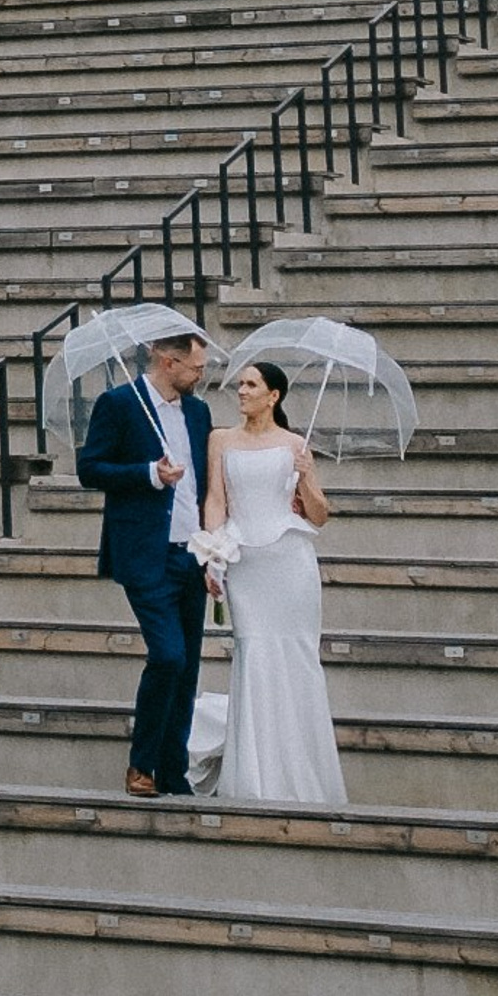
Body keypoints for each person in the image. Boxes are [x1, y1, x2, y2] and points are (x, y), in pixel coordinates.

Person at [199, 357, 344, 807]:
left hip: (290, 561)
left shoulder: (296, 444)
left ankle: (301, 775)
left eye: (251, 385)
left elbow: (318, 516)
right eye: (239, 384)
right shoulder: (220, 439)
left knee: (296, 658)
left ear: (273, 395)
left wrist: (308, 477)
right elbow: (216, 499)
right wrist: (213, 554)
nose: (241, 391)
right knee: (253, 654)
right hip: (246, 562)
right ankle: (255, 777)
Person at [77, 327, 212, 800]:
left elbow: (204, 483)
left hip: (193, 553)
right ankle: (142, 765)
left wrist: (214, 547)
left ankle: (173, 771)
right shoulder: (119, 404)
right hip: (146, 553)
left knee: (188, 667)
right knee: (168, 655)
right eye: (196, 367)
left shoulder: (198, 411)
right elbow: (89, 469)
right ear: (167, 361)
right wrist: (149, 474)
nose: (202, 375)